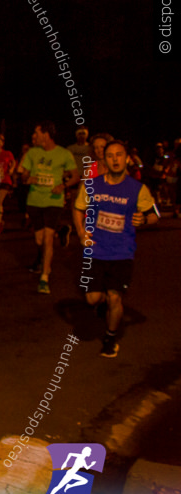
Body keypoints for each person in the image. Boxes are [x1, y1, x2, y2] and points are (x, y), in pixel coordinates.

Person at [73, 141, 159, 358]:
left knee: (114, 297)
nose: (114, 159)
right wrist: (82, 232)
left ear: (126, 158)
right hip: (95, 251)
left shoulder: (138, 189)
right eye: (110, 155)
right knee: (92, 299)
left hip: (122, 252)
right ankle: (102, 305)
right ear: (105, 159)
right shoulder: (92, 185)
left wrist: (144, 219)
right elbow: (77, 208)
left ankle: (110, 337)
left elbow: (154, 214)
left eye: (119, 155)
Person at [18, 121, 80, 294]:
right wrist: (27, 178)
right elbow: (24, 175)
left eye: (36, 133)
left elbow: (75, 176)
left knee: (47, 239)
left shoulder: (64, 153)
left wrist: (63, 186)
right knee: (39, 240)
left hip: (54, 200)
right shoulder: (32, 152)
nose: (34, 136)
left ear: (46, 134)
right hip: (34, 200)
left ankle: (44, 277)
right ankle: (61, 232)